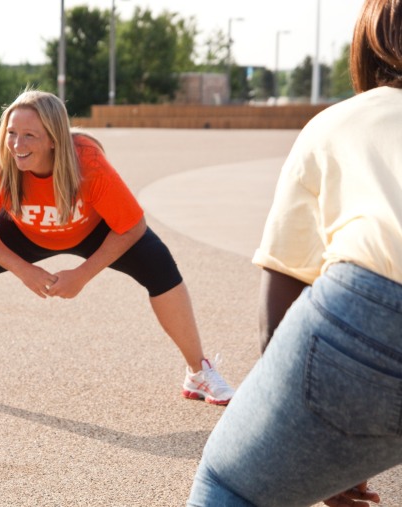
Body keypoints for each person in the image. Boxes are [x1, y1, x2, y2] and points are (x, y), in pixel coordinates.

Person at [0, 89, 234, 405]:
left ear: (53, 139)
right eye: (12, 133)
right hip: (25, 231)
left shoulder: (88, 165)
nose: (17, 144)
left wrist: (82, 274)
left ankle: (198, 371)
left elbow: (132, 226)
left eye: (29, 135)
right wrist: (24, 269)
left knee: (159, 264)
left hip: (91, 230)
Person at [187, 1, 402, 505]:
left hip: (374, 306)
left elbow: (279, 302)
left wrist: (312, 441)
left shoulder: (339, 124)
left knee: (228, 484)